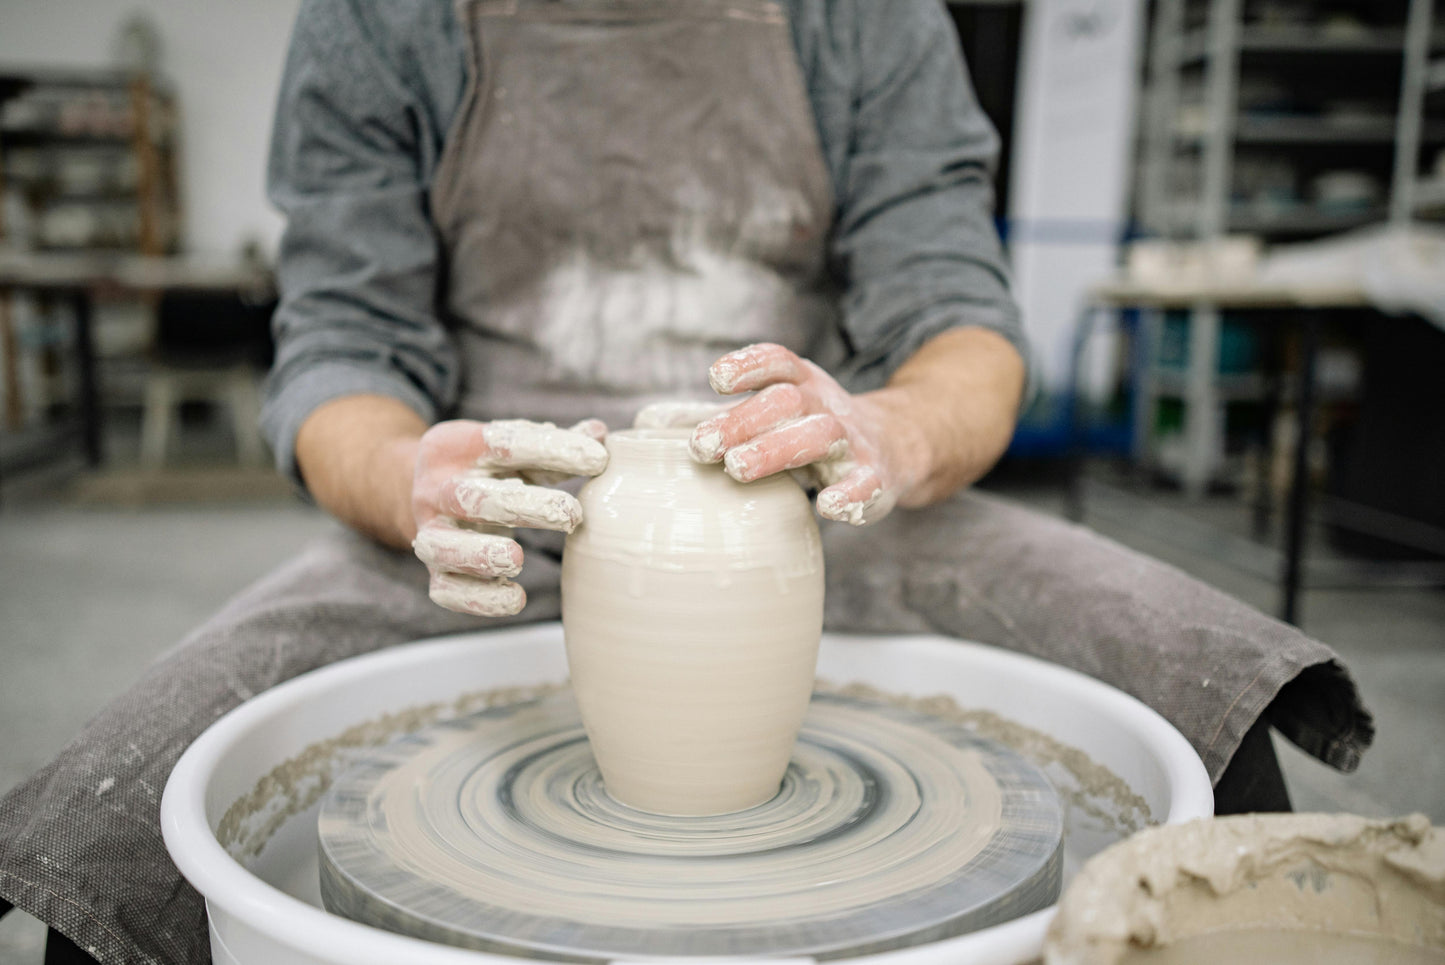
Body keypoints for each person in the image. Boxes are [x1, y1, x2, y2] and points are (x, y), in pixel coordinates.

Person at [0, 1, 1372, 963]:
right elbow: (338, 352)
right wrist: (404, 473)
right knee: (122, 821)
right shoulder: (384, 13)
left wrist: (891, 432)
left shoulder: (859, 18)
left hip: (812, 486)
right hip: (495, 497)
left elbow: (963, 327)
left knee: (1197, 691)